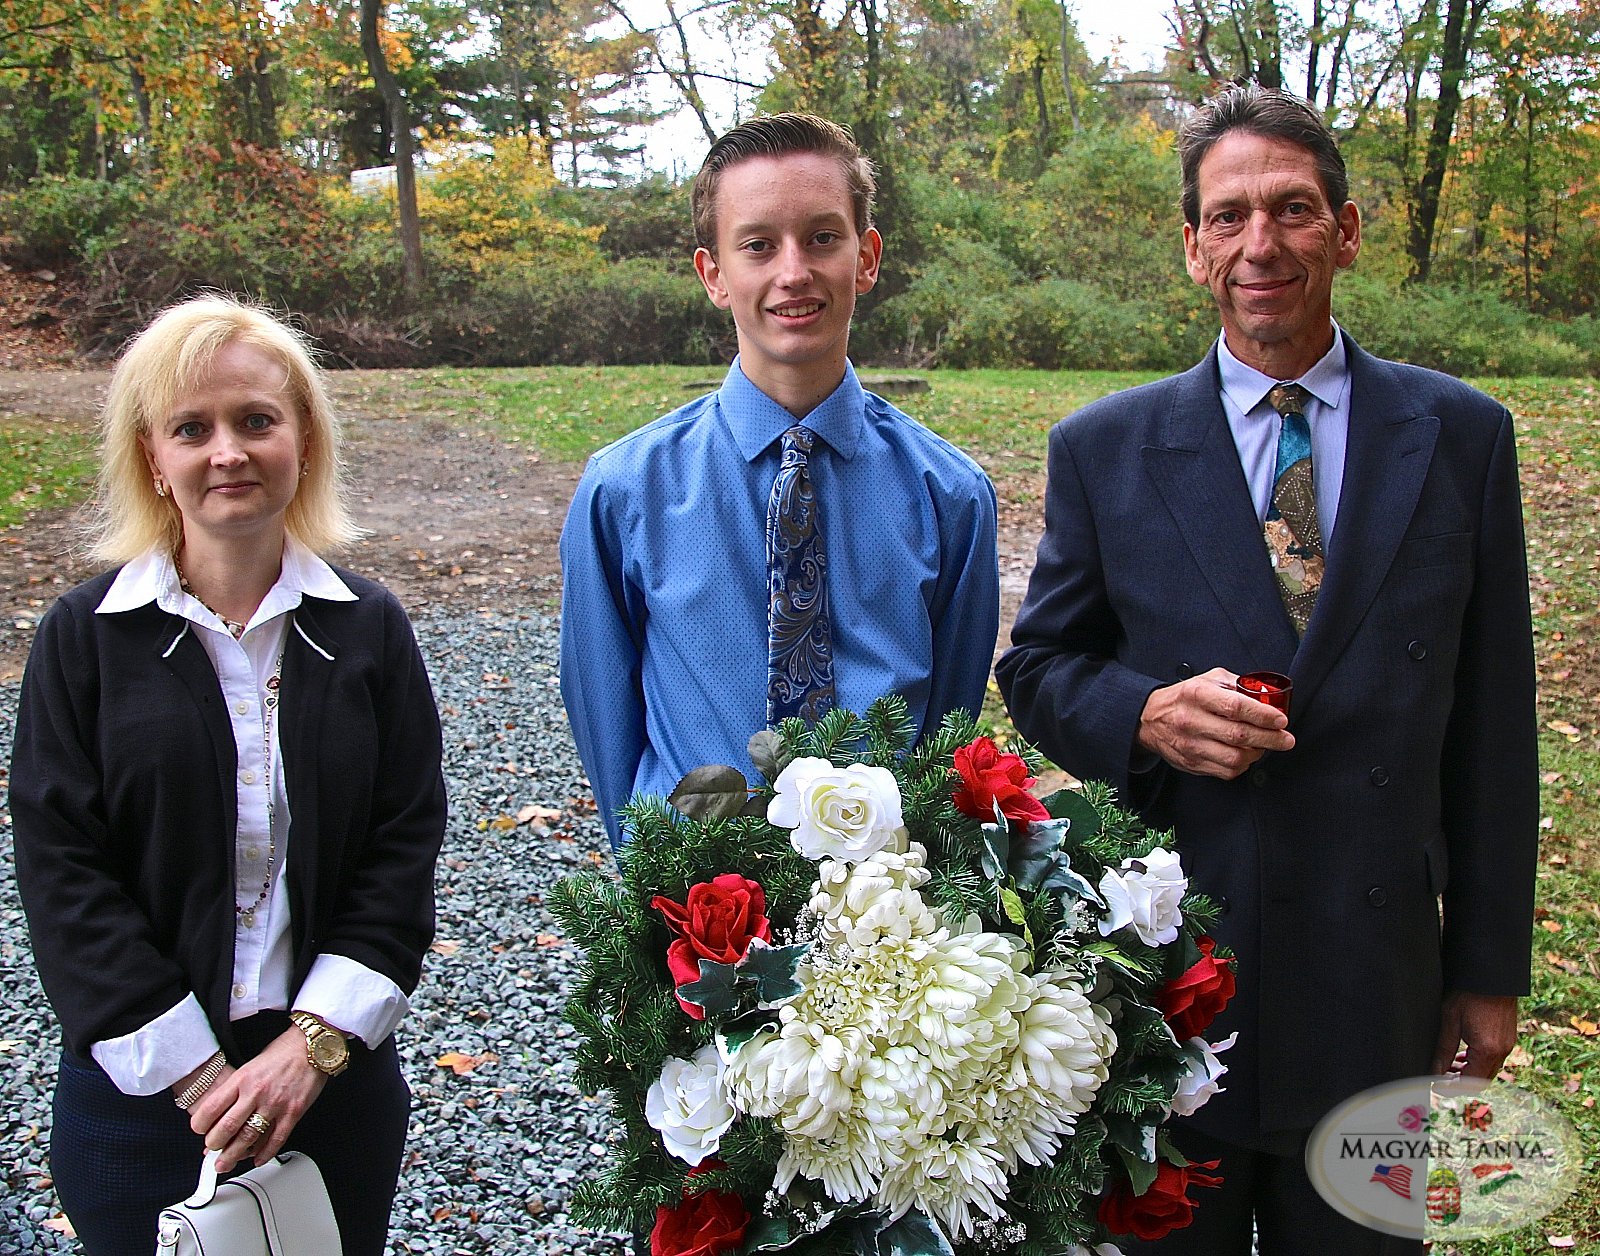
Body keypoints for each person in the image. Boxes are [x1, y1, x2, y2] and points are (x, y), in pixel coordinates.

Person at [996, 85, 1537, 1254]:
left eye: (1292, 210)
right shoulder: (1108, 446)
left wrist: (1489, 972)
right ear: (1193, 248)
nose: (1261, 243)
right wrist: (1141, 711)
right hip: (1175, 978)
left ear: (1343, 231)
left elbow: (1495, 725)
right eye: (1229, 215)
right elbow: (1037, 664)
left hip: (1377, 980)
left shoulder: (1460, 436)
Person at [9, 295, 448, 1256]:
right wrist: (200, 1078)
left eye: (256, 420)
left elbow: (402, 849)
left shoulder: (368, 628)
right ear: (153, 458)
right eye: (192, 429)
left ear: (302, 438)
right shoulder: (82, 642)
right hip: (143, 1101)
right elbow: (64, 875)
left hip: (326, 1094)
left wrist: (312, 1048)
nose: (228, 452)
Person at [560, 113, 999, 847]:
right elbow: (605, 717)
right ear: (714, 275)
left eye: (823, 237)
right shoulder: (625, 491)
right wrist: (654, 871)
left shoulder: (949, 495)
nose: (793, 271)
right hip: (699, 906)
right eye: (759, 245)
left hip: (884, 916)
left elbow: (945, 725)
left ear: (866, 258)